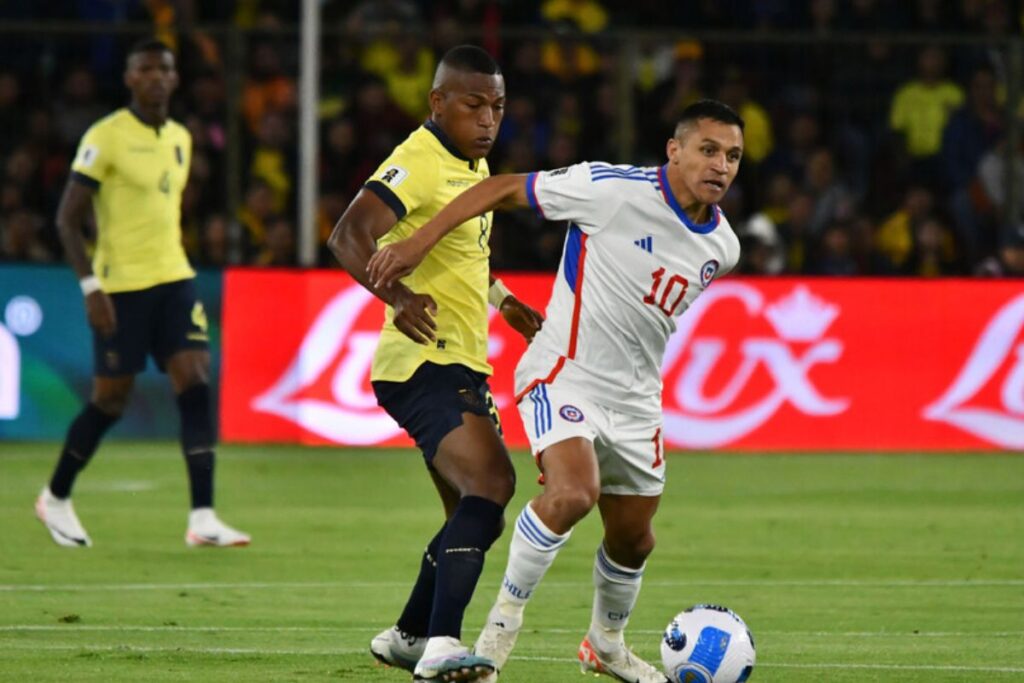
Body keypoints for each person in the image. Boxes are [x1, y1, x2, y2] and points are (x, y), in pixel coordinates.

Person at [368, 99, 745, 683]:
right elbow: (496, 191)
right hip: (563, 371)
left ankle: (606, 645)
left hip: (638, 401)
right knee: (573, 494)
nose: (721, 165)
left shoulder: (722, 247)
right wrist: (416, 247)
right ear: (674, 150)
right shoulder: (608, 188)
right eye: (709, 149)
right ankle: (496, 637)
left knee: (635, 540)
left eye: (733, 156)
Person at [327, 45, 543, 682]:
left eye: (497, 108)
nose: (487, 121)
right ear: (437, 103)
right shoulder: (418, 160)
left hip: (461, 358)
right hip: (423, 359)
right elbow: (347, 235)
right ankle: (443, 645)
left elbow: (464, 255)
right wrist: (396, 295)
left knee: (468, 514)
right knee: (494, 486)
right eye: (474, 105)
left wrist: (501, 300)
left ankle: (407, 636)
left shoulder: (470, 166)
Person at [34, 39, 249, 549]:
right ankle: (56, 496)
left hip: (174, 278)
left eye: (164, 69)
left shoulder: (180, 137)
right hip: (121, 287)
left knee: (195, 380)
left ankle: (203, 517)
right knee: (111, 399)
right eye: (145, 69)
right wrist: (91, 286)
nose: (156, 76)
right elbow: (67, 219)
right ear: (129, 78)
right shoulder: (105, 136)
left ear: (175, 79)